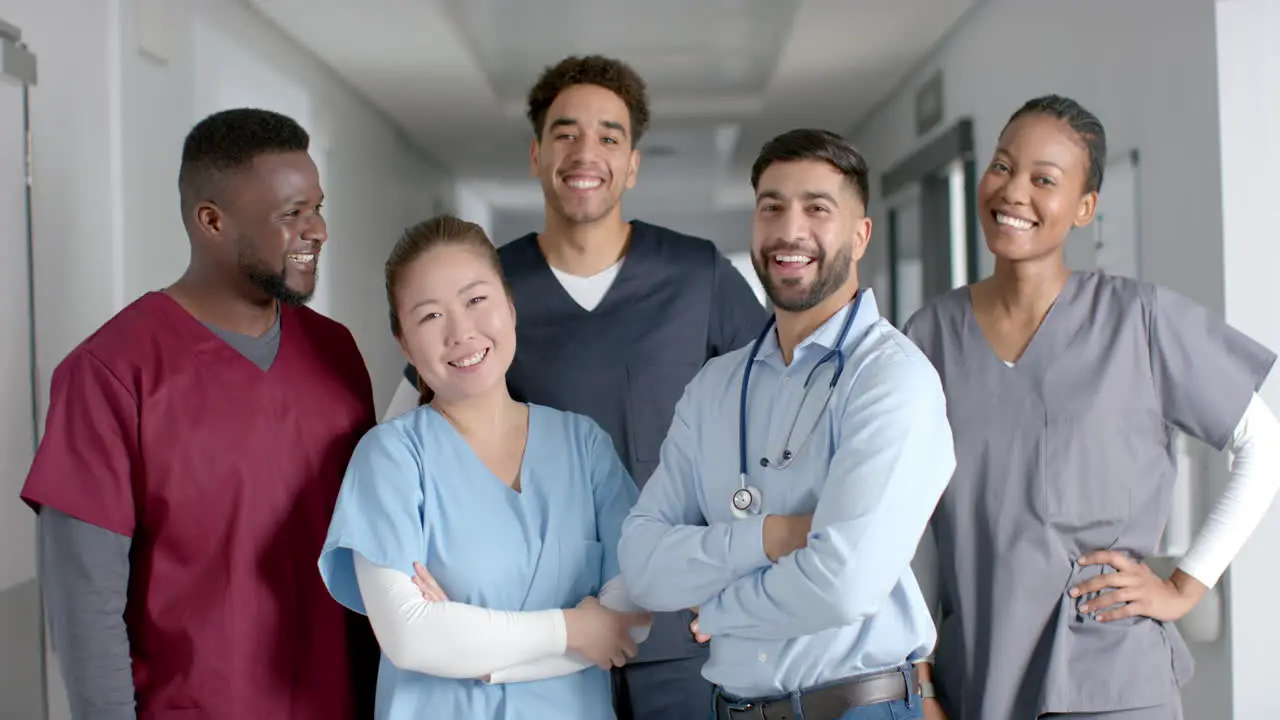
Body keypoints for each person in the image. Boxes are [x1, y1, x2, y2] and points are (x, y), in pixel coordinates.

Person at [381, 55, 768, 719]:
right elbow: (402, 429)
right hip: (535, 630)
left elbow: (776, 420)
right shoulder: (488, 289)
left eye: (609, 136)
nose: (585, 151)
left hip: (679, 630)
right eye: (565, 133)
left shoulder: (697, 275)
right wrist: (414, 573)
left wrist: (744, 565)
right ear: (536, 155)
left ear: (634, 163)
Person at [902, 94, 1280, 720]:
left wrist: (1184, 586)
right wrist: (920, 673)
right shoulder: (930, 335)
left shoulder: (1140, 320)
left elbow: (1263, 446)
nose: (1013, 192)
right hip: (977, 673)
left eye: (1044, 180)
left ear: (1084, 209)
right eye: (1002, 166)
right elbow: (911, 523)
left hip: (1108, 672)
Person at [20, 108, 378, 718]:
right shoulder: (110, 373)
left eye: (318, 207)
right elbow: (86, 608)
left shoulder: (336, 354)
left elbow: (372, 555)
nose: (316, 229)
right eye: (291, 214)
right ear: (211, 221)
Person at [617, 128, 955, 720]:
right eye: (771, 207)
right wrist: (772, 537)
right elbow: (643, 565)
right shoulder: (716, 387)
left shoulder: (891, 379)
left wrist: (718, 609)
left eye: (816, 208)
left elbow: (844, 583)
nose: (789, 230)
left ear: (861, 233)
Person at [317, 215, 652, 720]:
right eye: (430, 316)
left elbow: (630, 619)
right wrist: (576, 630)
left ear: (510, 308)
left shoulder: (583, 446)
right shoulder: (389, 459)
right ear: (404, 344)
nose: (461, 332)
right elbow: (412, 638)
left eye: (476, 300)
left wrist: (476, 648)